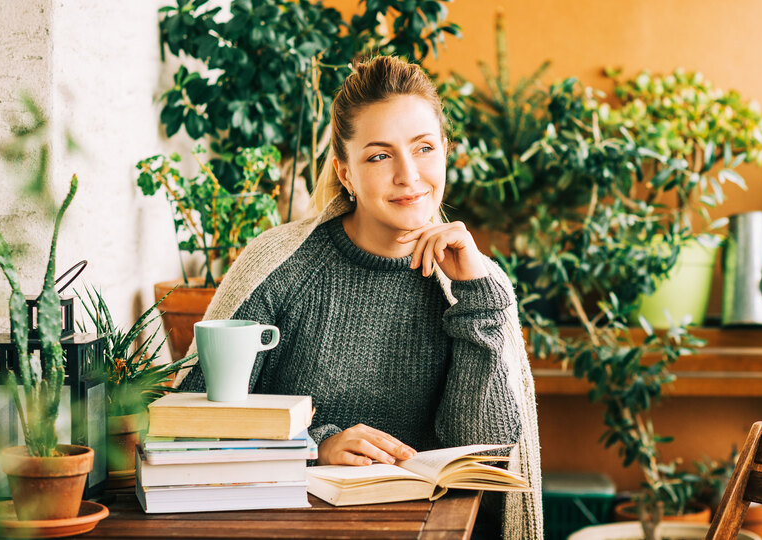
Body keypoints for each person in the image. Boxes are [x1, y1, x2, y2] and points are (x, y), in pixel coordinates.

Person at [175, 55, 543, 540]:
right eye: (379, 155)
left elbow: (484, 458)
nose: (409, 175)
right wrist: (313, 446)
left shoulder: (477, 282)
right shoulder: (280, 265)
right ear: (345, 172)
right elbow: (191, 419)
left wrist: (478, 301)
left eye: (424, 148)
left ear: (446, 153)